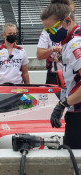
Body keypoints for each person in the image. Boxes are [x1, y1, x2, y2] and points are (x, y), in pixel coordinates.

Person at [41, 0, 81, 149]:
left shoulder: (75, 44)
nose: (50, 34)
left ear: (67, 21)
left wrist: (62, 104)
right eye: (47, 31)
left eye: (52, 29)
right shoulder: (69, 41)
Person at [37, 0, 75, 86]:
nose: (72, 15)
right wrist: (53, 50)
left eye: (73, 12)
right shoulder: (48, 31)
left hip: (71, 77)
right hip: (55, 74)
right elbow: (39, 55)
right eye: (49, 30)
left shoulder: (76, 38)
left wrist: (68, 100)